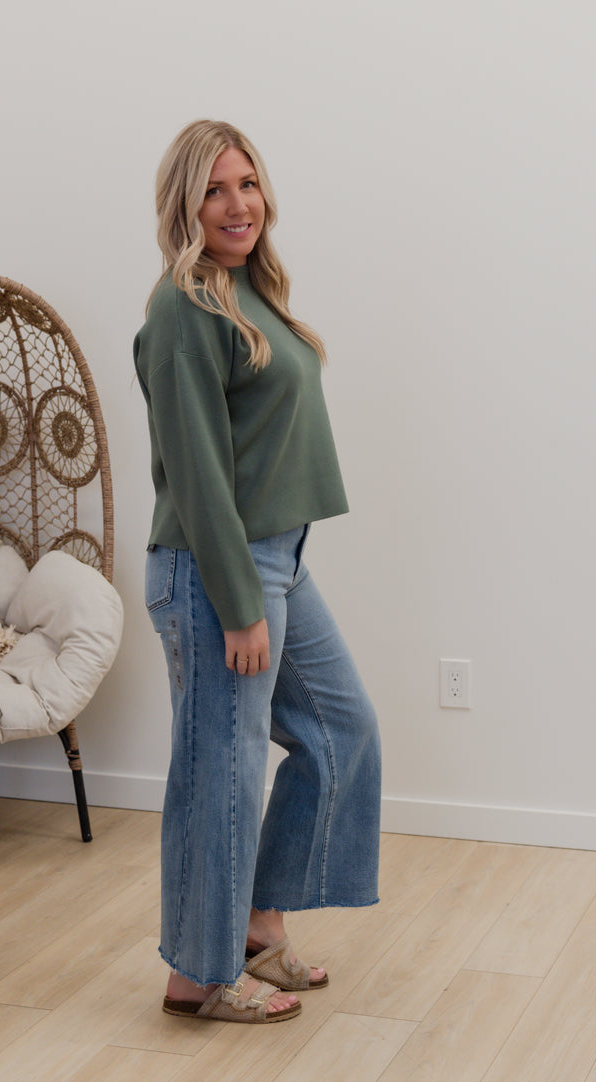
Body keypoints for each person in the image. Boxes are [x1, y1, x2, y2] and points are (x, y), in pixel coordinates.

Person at [133, 119, 381, 1024]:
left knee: (342, 731)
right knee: (221, 771)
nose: (237, 205)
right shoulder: (183, 308)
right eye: (214, 190)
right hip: (216, 569)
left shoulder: (251, 292)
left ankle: (254, 927)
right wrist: (239, 606)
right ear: (185, 205)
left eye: (247, 184)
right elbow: (197, 471)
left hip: (281, 557)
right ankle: (197, 976)